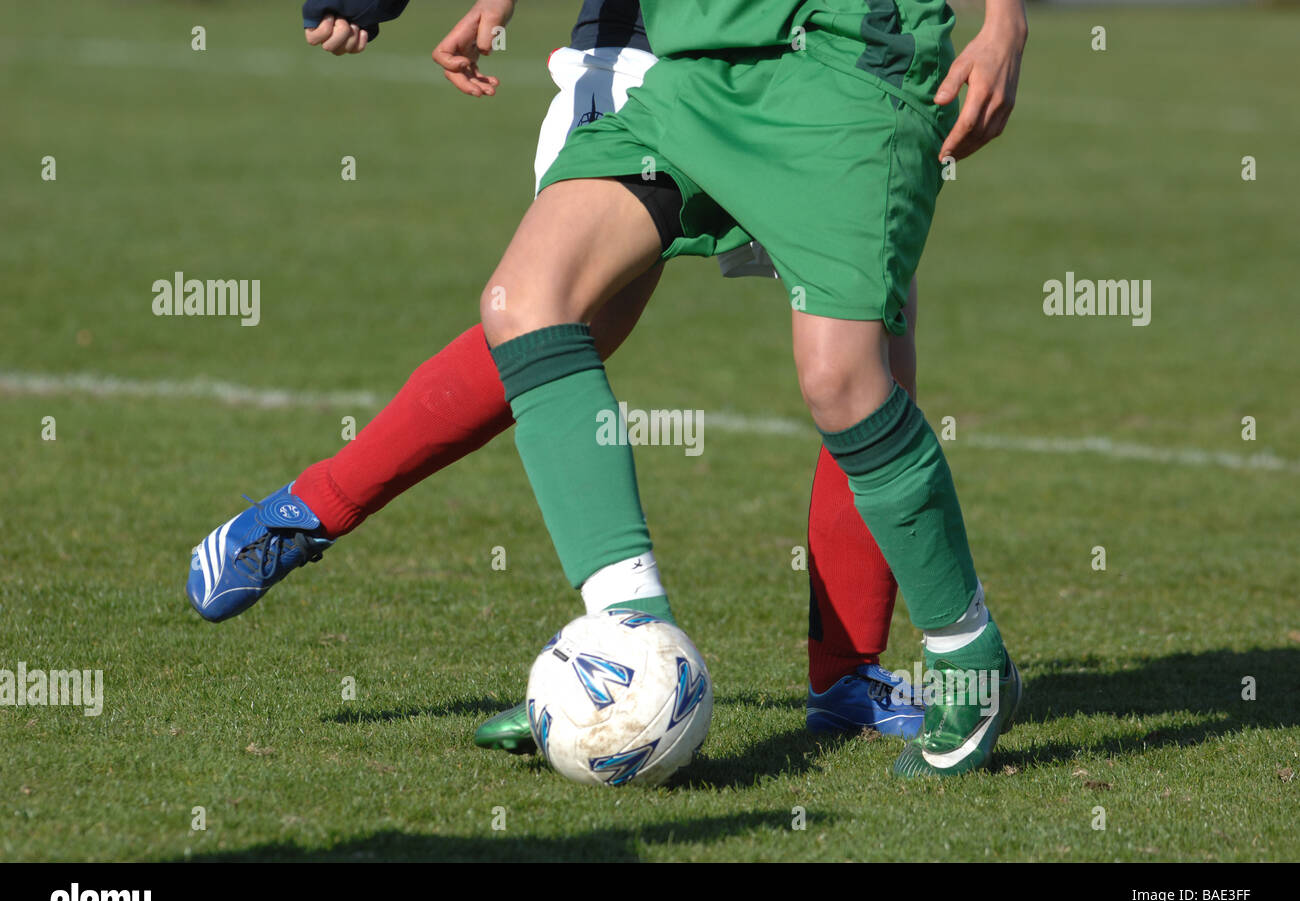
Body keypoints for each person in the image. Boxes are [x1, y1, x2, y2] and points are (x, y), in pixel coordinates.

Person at [186, 0, 941, 754]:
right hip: (654, 51)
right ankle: (319, 514)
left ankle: (845, 678)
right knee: (557, 317)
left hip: (821, 59)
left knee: (872, 355)